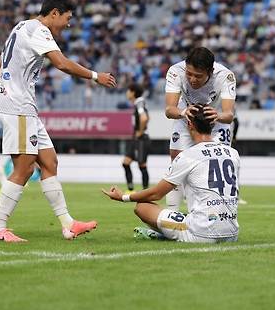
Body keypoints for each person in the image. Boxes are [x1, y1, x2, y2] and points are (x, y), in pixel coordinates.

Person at [0, 0, 116, 242]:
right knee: (24, 169)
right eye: (67, 18)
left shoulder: (20, 27)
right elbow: (62, 63)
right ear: (54, 13)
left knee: (49, 162)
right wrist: (94, 76)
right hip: (19, 109)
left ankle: (68, 224)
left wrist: (8, 88)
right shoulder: (40, 30)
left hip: (23, 108)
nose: (68, 24)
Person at [102, 104, 240, 243]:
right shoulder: (233, 153)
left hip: (202, 234)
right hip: (232, 233)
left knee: (142, 207)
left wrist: (124, 197)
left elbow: (156, 194)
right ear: (213, 124)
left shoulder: (188, 155)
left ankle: (164, 234)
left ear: (190, 124)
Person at [164, 47, 238, 210]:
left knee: (217, 163)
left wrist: (217, 115)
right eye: (189, 74)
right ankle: (172, 213)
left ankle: (217, 212)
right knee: (176, 161)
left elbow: (228, 114)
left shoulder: (225, 76)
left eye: (198, 76)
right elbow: (170, 110)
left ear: (210, 71)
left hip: (215, 120)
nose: (192, 79)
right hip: (185, 116)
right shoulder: (175, 71)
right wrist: (183, 112)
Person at [122, 83, 150, 191]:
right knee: (126, 163)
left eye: (128, 90)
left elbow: (144, 118)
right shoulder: (139, 103)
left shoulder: (139, 102)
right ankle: (130, 189)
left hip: (141, 138)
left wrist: (140, 131)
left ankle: (145, 191)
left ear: (133, 92)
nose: (127, 93)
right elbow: (148, 117)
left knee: (142, 165)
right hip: (136, 138)